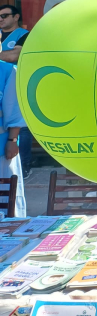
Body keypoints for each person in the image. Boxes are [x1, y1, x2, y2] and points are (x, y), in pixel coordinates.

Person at [0, 5, 31, 179]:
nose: (1, 19)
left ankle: (25, 165)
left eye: (4, 15)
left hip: (18, 84)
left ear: (16, 17)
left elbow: (14, 56)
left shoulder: (24, 35)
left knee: (20, 126)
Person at [0, 62, 26, 217]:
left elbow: (14, 109)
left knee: (7, 197)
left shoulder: (8, 71)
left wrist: (12, 140)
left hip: (2, 148)